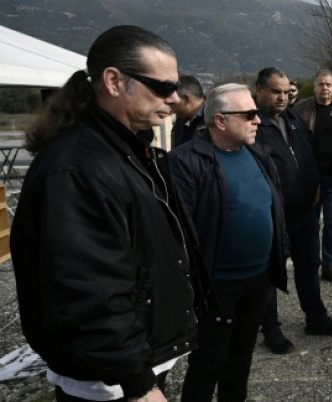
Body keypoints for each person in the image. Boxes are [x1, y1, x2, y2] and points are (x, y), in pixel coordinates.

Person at [11, 25, 214, 402]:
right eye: (163, 87)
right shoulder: (78, 169)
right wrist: (138, 383)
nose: (174, 98)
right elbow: (88, 291)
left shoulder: (129, 150)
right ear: (114, 81)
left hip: (137, 359)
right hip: (109, 381)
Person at [169, 83, 288, 401]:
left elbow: (275, 206)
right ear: (220, 120)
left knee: (241, 357)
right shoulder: (185, 161)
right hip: (216, 286)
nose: (258, 120)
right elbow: (179, 231)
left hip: (258, 279)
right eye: (249, 114)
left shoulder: (258, 154)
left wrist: (281, 249)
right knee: (208, 362)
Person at [255, 67, 332, 354]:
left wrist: (317, 182)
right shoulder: (253, 123)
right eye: (275, 92)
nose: (282, 98)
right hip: (273, 215)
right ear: (259, 90)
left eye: (286, 92)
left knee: (309, 264)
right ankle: (271, 329)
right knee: (270, 271)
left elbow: (310, 153)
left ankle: (316, 318)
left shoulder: (294, 118)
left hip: (306, 210)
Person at [294, 69, 332, 283]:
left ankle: (328, 265)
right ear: (314, 86)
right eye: (321, 84)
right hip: (309, 178)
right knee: (310, 224)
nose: (324, 88)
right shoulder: (300, 110)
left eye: (328, 84)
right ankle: (310, 263)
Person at [170, 74, 205, 148]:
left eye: (173, 103)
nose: (171, 109)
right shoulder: (180, 122)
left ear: (186, 99)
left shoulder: (214, 122)